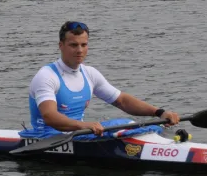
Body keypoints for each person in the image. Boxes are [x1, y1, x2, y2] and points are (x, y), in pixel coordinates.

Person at [28, 21, 180, 136]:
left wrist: (159, 113)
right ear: (61, 45)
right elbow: (50, 117)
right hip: (47, 137)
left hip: (79, 135)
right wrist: (83, 126)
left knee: (134, 125)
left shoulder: (89, 73)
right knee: (125, 125)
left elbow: (122, 101)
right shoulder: (47, 76)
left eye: (83, 45)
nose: (79, 50)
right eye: (73, 45)